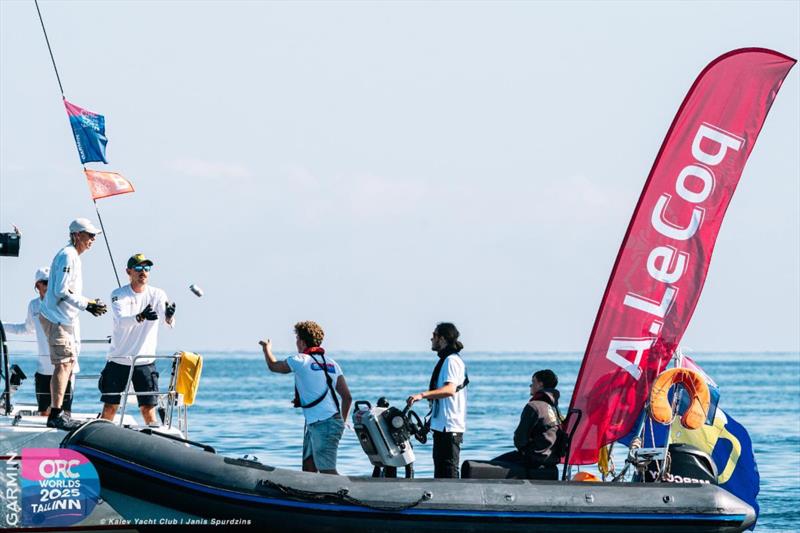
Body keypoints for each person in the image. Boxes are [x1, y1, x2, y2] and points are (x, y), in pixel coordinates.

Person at [39, 218, 107, 430]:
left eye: (94, 235)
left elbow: (66, 291)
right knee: (63, 364)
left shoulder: (71, 255)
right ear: (77, 235)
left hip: (62, 318)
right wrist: (87, 304)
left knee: (67, 363)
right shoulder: (68, 256)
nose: (93, 239)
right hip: (56, 318)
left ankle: (60, 413)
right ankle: (56, 414)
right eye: (89, 235)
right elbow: (60, 290)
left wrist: (88, 303)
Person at [260, 321, 352, 475]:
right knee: (308, 468)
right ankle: (311, 496)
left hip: (324, 424)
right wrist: (342, 422)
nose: (296, 342)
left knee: (327, 471)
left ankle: (347, 496)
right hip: (318, 423)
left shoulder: (300, 360)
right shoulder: (332, 364)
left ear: (302, 342)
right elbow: (347, 397)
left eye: (297, 339)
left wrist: (266, 349)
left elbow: (273, 366)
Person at [100, 253, 176, 425]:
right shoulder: (119, 294)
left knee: (148, 408)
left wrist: (169, 317)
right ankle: (101, 435)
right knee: (110, 406)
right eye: (139, 268)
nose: (144, 272)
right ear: (129, 271)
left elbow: (167, 323)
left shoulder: (158, 294)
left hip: (145, 360)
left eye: (147, 268)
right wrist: (141, 316)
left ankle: (154, 438)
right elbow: (121, 321)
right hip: (119, 359)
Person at [3, 267, 78, 415]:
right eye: (45, 282)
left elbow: (75, 334)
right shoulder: (34, 305)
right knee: (43, 413)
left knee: (64, 413)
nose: (49, 285)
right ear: (38, 286)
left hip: (64, 368)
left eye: (52, 282)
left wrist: (74, 360)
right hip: (43, 369)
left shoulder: (64, 304)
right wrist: (1, 326)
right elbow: (25, 328)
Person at [406, 322, 469, 478]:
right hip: (442, 427)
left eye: (434, 335)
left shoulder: (452, 361)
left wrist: (422, 395)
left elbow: (449, 390)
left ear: (442, 339)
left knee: (449, 470)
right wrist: (428, 425)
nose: (431, 339)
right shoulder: (446, 360)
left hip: (450, 428)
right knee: (441, 472)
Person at [493, 369, 563, 480]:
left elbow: (519, 440)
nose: (530, 385)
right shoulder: (555, 408)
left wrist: (525, 449)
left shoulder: (534, 406)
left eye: (533, 382)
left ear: (540, 385)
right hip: (551, 459)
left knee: (492, 464)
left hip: (533, 459)